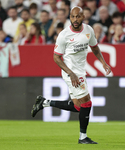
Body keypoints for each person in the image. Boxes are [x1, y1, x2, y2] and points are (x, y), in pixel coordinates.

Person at [31, 6, 111, 144]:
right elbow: (56, 57)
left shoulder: (89, 30)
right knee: (87, 103)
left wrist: (103, 63)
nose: (75, 19)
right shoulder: (64, 35)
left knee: (78, 107)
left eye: (78, 16)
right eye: (72, 16)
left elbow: (95, 47)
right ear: (70, 17)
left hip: (80, 71)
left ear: (83, 17)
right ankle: (83, 137)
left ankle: (44, 103)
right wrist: (71, 74)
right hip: (71, 72)